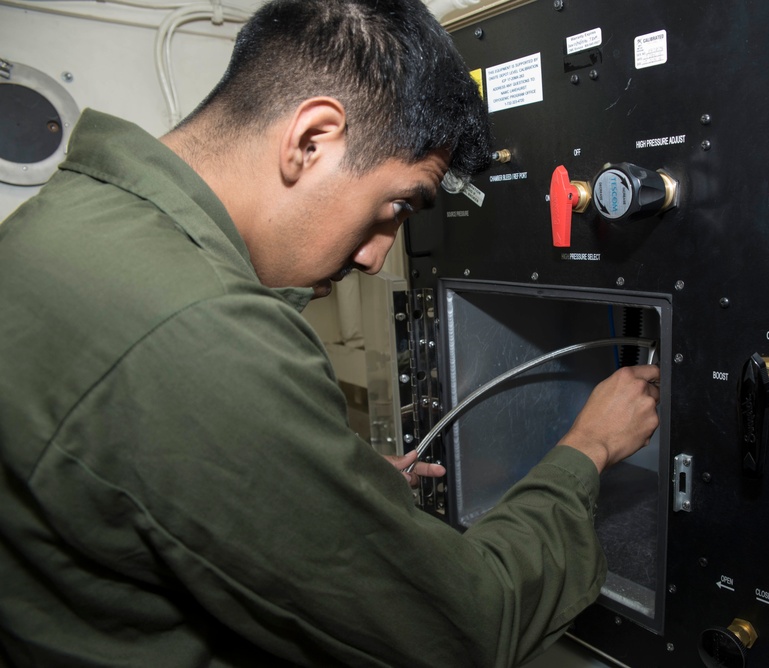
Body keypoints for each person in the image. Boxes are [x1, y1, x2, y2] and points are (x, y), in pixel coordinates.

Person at [0, 0, 661, 664]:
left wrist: (318, 479)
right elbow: (463, 630)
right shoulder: (205, 334)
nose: (377, 257)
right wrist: (588, 447)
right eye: (397, 205)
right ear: (312, 139)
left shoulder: (61, 223)